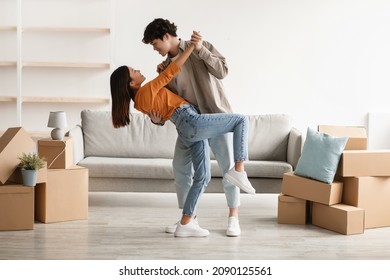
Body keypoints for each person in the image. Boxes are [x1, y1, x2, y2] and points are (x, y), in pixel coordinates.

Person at [110, 39, 255, 238]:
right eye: (134, 71)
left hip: (188, 124)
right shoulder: (146, 90)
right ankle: (239, 169)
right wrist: (188, 50)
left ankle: (187, 221)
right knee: (241, 121)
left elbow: (164, 101)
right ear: (132, 83)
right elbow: (175, 69)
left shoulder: (140, 100)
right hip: (191, 121)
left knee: (203, 176)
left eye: (154, 44)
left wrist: (164, 73)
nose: (138, 69)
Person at [142, 18, 244, 237]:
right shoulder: (164, 68)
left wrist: (201, 50)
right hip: (190, 125)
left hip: (216, 117)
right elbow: (167, 103)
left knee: (228, 170)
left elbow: (223, 71)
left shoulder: (200, 46)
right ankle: (189, 219)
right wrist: (157, 119)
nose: (154, 49)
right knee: (180, 168)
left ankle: (233, 217)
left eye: (154, 43)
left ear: (166, 37)